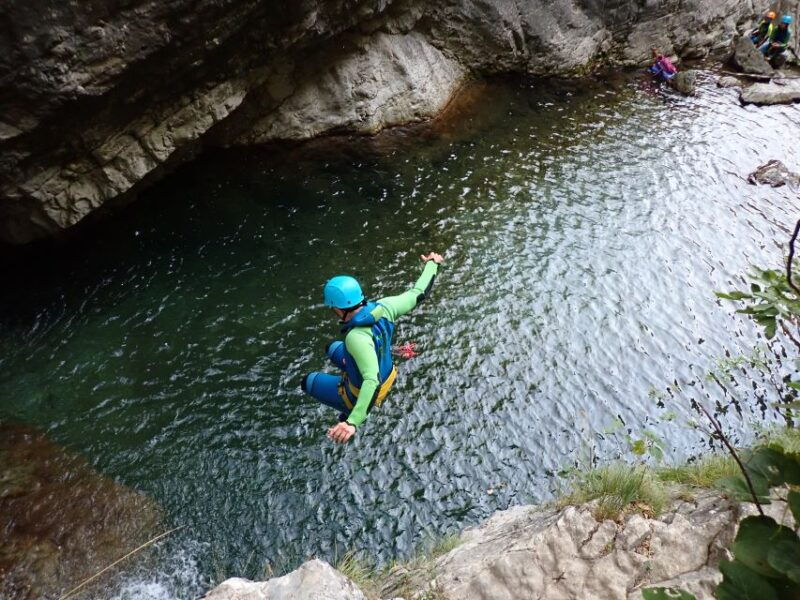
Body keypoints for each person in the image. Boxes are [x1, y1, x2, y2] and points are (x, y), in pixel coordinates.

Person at [301, 252, 444, 444]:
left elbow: (371, 381)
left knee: (308, 382)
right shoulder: (385, 307)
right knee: (331, 348)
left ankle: (347, 411)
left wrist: (353, 422)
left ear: (339, 309)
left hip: (364, 390)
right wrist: (432, 264)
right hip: (387, 372)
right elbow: (418, 293)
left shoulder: (356, 338)